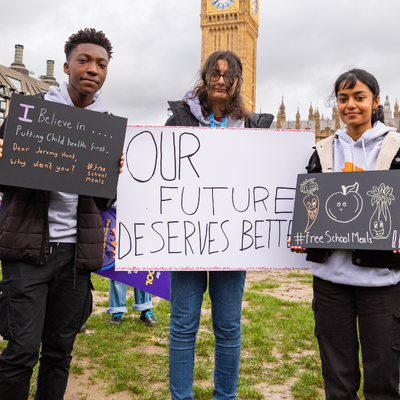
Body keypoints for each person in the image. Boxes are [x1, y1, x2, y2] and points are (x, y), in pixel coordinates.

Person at [0, 28, 123, 399]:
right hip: (28, 252)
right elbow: (6, 185)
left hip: (75, 257)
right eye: (84, 61)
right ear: (67, 65)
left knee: (59, 353)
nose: (92, 69)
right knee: (22, 351)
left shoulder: (106, 128)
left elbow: (103, 205)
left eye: (101, 64)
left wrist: (111, 176)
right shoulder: (31, 115)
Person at [165, 50, 274, 400]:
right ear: (205, 76)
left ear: (239, 80)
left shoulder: (253, 124)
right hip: (187, 241)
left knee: (228, 328)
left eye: (229, 75)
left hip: (232, 242)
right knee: (183, 326)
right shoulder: (180, 118)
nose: (221, 80)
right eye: (215, 73)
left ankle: (224, 397)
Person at [291, 69, 400, 399]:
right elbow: (311, 206)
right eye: (343, 98)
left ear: (376, 102)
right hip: (331, 281)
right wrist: (303, 234)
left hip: (380, 281)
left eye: (359, 97)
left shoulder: (396, 148)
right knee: (337, 378)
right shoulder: (323, 150)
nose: (350, 105)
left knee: (382, 376)